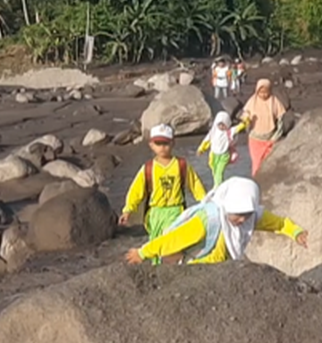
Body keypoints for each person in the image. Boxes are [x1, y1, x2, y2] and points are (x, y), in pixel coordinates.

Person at [125, 177, 308, 265]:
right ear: (227, 205)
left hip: (222, 267)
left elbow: (279, 223)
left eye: (247, 214)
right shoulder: (209, 218)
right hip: (195, 269)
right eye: (238, 214)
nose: (242, 220)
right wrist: (142, 253)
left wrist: (295, 232)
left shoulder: (252, 217)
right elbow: (173, 239)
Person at [119, 124, 208, 263]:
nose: (162, 147)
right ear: (151, 145)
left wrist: (205, 202)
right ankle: (157, 268)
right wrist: (128, 209)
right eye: (158, 143)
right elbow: (136, 190)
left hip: (176, 210)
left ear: (173, 143)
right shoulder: (148, 168)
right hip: (155, 213)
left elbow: (195, 184)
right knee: (155, 242)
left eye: (165, 143)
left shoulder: (181, 165)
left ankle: (171, 268)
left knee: (172, 242)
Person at [238, 79, 288, 177]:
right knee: (256, 163)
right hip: (255, 138)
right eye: (261, 92)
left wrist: (275, 137)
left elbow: (280, 120)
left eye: (266, 92)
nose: (263, 95)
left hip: (270, 138)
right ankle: (256, 180)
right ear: (257, 91)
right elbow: (245, 114)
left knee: (268, 163)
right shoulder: (252, 101)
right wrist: (246, 118)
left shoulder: (274, 101)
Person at [196, 111, 244, 186]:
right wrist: (201, 149)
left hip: (224, 155)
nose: (221, 127)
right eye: (219, 124)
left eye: (223, 125)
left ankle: (217, 187)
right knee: (214, 171)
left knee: (219, 172)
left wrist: (246, 121)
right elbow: (206, 141)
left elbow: (238, 128)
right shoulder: (213, 132)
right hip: (213, 155)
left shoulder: (229, 132)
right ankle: (218, 184)